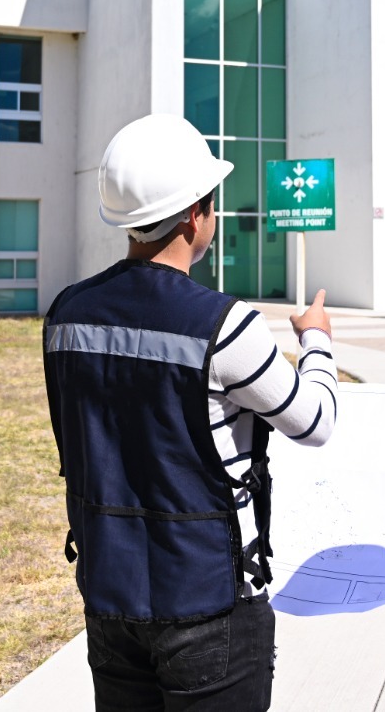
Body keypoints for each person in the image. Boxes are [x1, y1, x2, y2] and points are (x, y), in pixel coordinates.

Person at [43, 113, 340, 711]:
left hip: (109, 597)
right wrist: (317, 342)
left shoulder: (65, 314)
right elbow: (314, 421)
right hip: (209, 607)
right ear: (193, 214)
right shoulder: (225, 325)